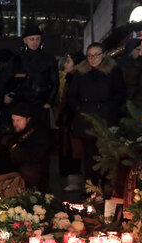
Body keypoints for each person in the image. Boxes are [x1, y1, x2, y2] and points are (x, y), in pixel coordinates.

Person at [68, 42, 126, 187]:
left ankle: (105, 187)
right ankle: (91, 187)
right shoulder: (81, 72)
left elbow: (120, 93)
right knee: (89, 156)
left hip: (106, 119)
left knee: (106, 155)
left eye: (96, 55)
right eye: (89, 56)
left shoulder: (113, 70)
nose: (93, 59)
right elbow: (72, 95)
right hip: (86, 120)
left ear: (103, 55)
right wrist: (79, 109)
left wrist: (108, 108)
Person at [0, 24, 58, 129]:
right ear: (25, 40)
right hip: (22, 104)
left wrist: (49, 102)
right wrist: (8, 94)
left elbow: (55, 82)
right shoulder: (17, 59)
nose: (35, 42)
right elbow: (3, 80)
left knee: (41, 136)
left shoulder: (48, 58)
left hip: (40, 103)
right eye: (32, 39)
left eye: (37, 39)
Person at [0, 104, 51, 190]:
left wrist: (14, 146)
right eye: (13, 120)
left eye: (18, 120)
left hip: (31, 166)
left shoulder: (39, 133)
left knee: (28, 172)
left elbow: (34, 156)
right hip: (13, 165)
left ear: (28, 119)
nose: (15, 124)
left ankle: (30, 190)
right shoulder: (13, 129)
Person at [55, 52, 86, 191]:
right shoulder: (68, 78)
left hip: (75, 120)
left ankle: (75, 179)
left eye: (69, 62)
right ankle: (71, 178)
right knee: (69, 149)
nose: (65, 65)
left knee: (75, 150)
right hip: (68, 120)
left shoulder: (78, 79)